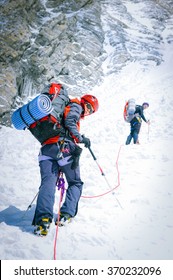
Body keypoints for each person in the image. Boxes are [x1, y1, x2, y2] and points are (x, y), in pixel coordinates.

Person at [32, 93, 99, 235]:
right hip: (64, 147)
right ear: (84, 103)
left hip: (46, 150)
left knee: (48, 184)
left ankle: (43, 221)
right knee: (75, 183)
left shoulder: (63, 108)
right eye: (89, 107)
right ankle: (65, 214)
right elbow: (70, 122)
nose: (88, 111)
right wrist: (80, 138)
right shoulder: (76, 105)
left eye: (91, 111)